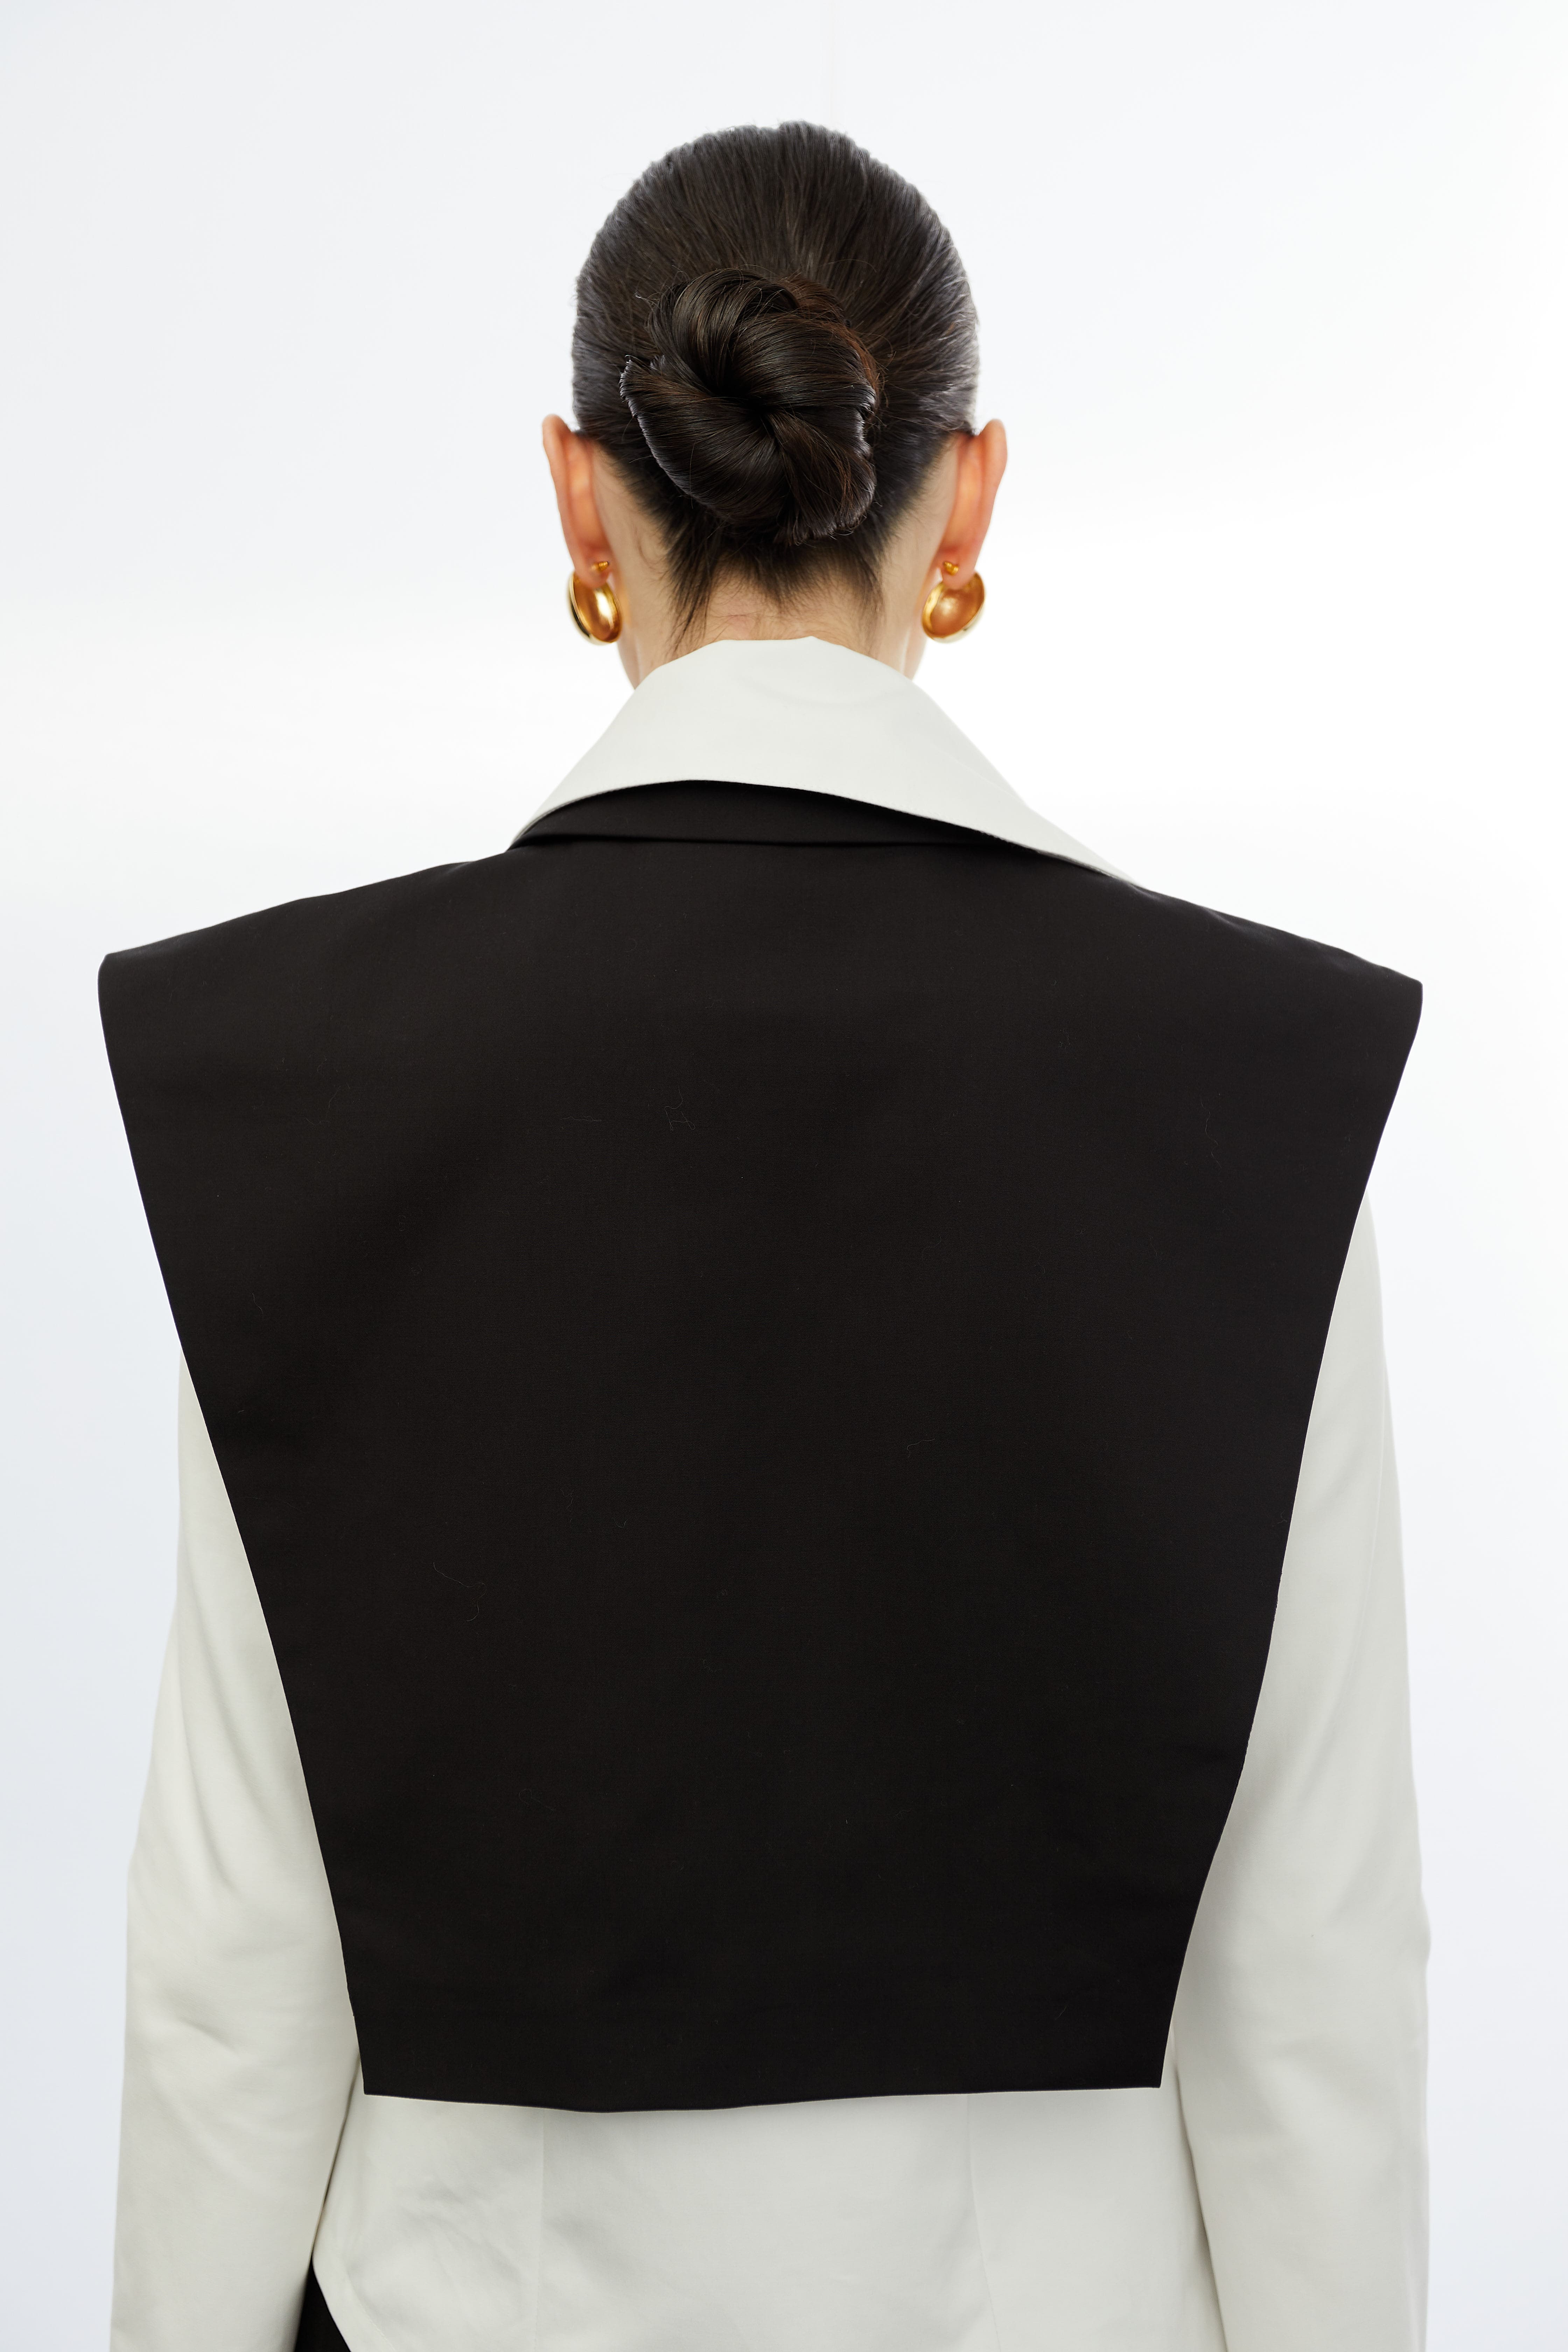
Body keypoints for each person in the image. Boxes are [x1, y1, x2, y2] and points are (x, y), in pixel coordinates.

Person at [103, 123, 1428, 2352]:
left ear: (580, 497)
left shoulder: (304, 1081)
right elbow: (1309, 1988)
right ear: (967, 499)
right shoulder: (1257, 1088)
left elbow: (236, 1982)